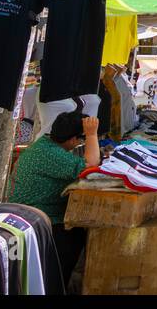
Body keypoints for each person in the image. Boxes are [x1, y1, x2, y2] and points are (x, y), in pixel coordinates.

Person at [9, 111, 100, 276]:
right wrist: (92, 134)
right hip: (37, 219)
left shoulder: (45, 145)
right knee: (76, 234)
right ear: (73, 140)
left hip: (33, 213)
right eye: (81, 140)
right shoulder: (51, 154)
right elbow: (91, 165)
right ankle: (56, 283)